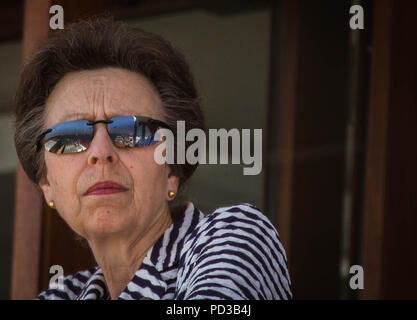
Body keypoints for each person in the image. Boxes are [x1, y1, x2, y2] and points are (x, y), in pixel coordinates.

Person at [13, 17, 292, 300]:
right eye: (70, 137)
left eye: (132, 131)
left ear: (172, 168)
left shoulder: (235, 238)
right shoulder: (65, 295)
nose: (101, 153)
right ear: (46, 181)